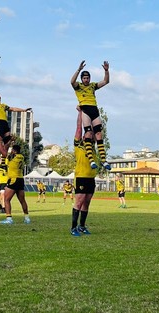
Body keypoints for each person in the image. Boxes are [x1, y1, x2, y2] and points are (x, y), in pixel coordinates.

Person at [71, 60, 111, 170]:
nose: (86, 80)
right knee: (88, 133)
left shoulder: (93, 86)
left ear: (89, 79)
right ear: (82, 79)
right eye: (84, 78)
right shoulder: (78, 86)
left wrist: (106, 71)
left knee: (98, 134)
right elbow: (71, 81)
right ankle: (91, 160)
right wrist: (79, 69)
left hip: (94, 110)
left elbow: (105, 81)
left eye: (87, 78)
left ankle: (103, 160)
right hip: (85, 110)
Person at [70, 108, 97, 236]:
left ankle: (82, 226)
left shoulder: (92, 146)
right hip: (81, 177)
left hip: (91, 178)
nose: (90, 134)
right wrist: (81, 113)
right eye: (88, 133)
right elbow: (79, 128)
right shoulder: (78, 144)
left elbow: (92, 128)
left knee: (87, 202)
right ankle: (73, 228)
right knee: (79, 201)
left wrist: (90, 114)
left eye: (91, 134)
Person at [0, 143, 30, 225]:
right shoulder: (21, 157)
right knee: (22, 200)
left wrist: (2, 142)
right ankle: (27, 218)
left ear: (14, 151)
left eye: (12, 150)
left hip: (13, 179)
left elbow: (3, 151)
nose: (10, 151)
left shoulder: (12, 157)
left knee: (6, 199)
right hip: (20, 179)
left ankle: (9, 218)